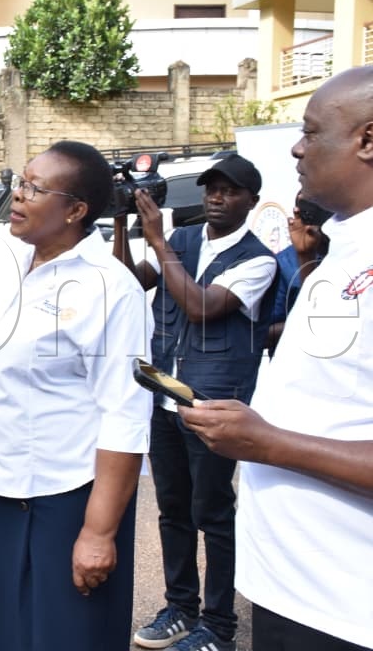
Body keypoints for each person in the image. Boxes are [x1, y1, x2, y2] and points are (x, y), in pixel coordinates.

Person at [0, 141, 151, 650]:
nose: (17, 196)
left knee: (71, 634)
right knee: (6, 630)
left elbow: (125, 416)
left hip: (69, 494)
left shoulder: (109, 289)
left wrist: (98, 532)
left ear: (75, 210)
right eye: (19, 182)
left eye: (35, 189)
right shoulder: (4, 263)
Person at [178, 66, 373, 651]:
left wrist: (268, 444)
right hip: (293, 591)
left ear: (368, 140)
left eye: (311, 133)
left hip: (347, 610)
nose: (296, 146)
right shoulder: (342, 248)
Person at [113, 154, 277, 651]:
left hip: (214, 408)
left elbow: (203, 307)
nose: (216, 198)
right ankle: (180, 609)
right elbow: (125, 283)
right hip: (165, 397)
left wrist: (159, 242)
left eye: (229, 191)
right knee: (173, 511)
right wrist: (123, 221)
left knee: (213, 514)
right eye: (210, 189)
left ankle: (219, 625)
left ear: (251, 200)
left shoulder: (258, 259)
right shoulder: (182, 241)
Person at [264, 192, 330, 355]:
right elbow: (262, 333)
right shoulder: (282, 264)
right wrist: (307, 322)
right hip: (298, 365)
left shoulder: (357, 253)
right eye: (307, 209)